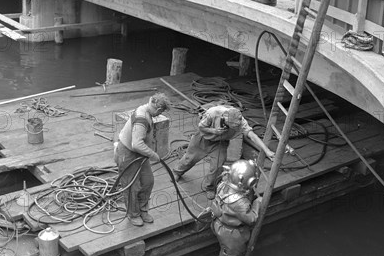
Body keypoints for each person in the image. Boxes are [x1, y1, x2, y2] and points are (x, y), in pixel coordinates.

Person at [173, 105, 275, 199]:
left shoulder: (240, 121)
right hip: (203, 139)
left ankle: (209, 187)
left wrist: (267, 151)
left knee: (217, 165)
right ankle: (178, 172)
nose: (236, 129)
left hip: (220, 143)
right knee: (189, 158)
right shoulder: (213, 113)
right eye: (232, 127)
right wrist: (214, 131)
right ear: (225, 119)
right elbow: (201, 127)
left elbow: (252, 136)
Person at [115, 93, 171, 227]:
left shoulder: (147, 111)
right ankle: (133, 214)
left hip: (139, 154)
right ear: (158, 110)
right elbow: (137, 144)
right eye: (161, 112)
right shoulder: (142, 118)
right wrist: (154, 155)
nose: (160, 114)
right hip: (127, 154)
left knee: (148, 181)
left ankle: (143, 210)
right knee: (132, 186)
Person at [210, 160, 262, 256]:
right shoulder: (240, 202)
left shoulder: (222, 185)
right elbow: (252, 219)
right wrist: (256, 203)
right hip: (233, 234)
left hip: (219, 225)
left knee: (224, 250)